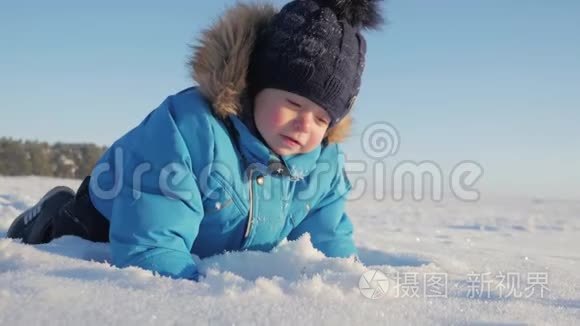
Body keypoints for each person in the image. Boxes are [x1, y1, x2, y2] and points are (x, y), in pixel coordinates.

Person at [7, 0, 384, 281]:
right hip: (113, 217)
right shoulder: (188, 129)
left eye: (321, 118)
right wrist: (200, 302)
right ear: (256, 86)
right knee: (74, 239)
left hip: (204, 241)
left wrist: (344, 285)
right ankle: (52, 213)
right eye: (293, 103)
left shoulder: (323, 165)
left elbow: (328, 240)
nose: (305, 126)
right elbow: (151, 247)